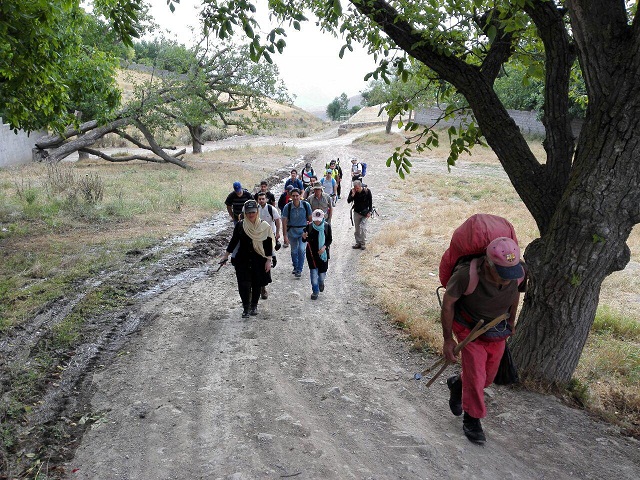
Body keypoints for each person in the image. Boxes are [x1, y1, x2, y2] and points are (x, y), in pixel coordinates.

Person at [440, 237, 525, 445]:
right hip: (468, 328)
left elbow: (515, 293)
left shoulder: (518, 272)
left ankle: (457, 384)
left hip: (496, 328)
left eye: (511, 273)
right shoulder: (465, 275)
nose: (507, 279)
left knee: (487, 377)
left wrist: (511, 320)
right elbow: (448, 304)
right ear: (488, 264)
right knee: (477, 376)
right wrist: (448, 339)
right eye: (502, 273)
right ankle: (472, 419)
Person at [220, 199, 275, 318]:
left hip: (259, 260)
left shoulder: (264, 226)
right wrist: (226, 255)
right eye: (248, 212)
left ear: (257, 212)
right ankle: (246, 307)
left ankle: (254, 305)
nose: (251, 214)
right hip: (243, 260)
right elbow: (234, 241)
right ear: (245, 213)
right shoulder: (241, 225)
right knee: (243, 285)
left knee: (256, 284)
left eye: (253, 212)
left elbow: (268, 245)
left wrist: (268, 260)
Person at [301, 209, 332, 300]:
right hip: (312, 255)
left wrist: (324, 247)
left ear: (322, 218)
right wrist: (304, 237)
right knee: (313, 274)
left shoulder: (327, 226)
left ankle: (321, 282)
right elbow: (304, 240)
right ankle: (315, 291)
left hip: (323, 254)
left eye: (319, 220)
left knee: (322, 275)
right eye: (315, 220)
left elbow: (329, 239)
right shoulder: (309, 227)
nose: (317, 222)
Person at [281, 188, 312, 278]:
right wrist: (285, 236)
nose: (295, 198)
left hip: (303, 231)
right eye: (293, 196)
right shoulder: (287, 207)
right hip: (292, 232)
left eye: (297, 196)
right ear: (290, 196)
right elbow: (284, 222)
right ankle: (295, 266)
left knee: (301, 250)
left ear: (300, 196)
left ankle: (299, 269)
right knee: (294, 251)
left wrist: (309, 233)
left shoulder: (306, 205)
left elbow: (310, 220)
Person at [256, 192, 282, 300]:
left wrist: (278, 233)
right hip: (257, 237)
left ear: (266, 199)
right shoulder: (255, 209)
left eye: (263, 199)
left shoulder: (271, 209)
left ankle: (263, 287)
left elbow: (277, 220)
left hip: (269, 237)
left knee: (267, 258)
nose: (261, 200)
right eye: (259, 199)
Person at [347, 180, 373, 250]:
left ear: (360, 186)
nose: (356, 190)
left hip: (365, 213)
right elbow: (348, 201)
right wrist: (352, 195)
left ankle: (363, 243)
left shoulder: (367, 191)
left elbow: (370, 202)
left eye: (357, 188)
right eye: (355, 188)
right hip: (356, 212)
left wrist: (370, 211)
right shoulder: (353, 191)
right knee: (357, 229)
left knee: (363, 228)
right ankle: (358, 243)